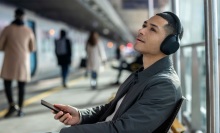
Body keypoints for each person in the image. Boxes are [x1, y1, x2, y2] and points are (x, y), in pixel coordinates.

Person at [52, 11, 184, 132]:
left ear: (169, 44)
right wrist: (80, 115)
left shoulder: (164, 85)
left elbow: (122, 130)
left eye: (152, 29)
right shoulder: (141, 73)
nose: (141, 30)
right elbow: (112, 108)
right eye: (144, 25)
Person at [0, 8, 36, 118]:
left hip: (9, 61)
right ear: (23, 17)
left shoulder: (7, 29)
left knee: (7, 84)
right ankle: (20, 109)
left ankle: (12, 105)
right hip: (23, 62)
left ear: (14, 16)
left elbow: (0, 46)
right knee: (21, 86)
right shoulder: (28, 30)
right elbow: (32, 48)